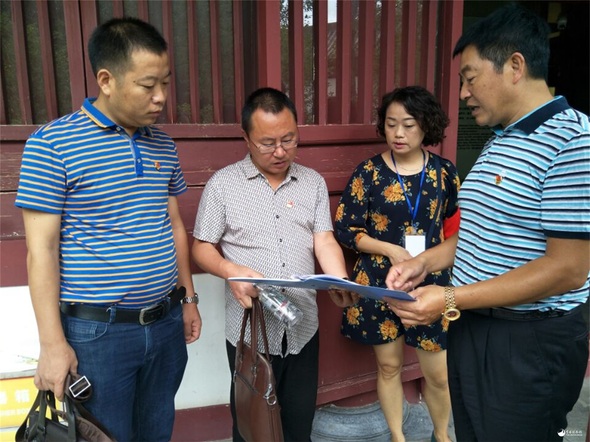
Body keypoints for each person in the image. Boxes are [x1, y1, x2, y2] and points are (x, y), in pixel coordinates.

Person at [385, 4, 590, 442]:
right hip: (474, 324)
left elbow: (569, 269)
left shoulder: (573, 141)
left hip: (528, 341)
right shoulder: (501, 139)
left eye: (470, 78)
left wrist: (449, 297)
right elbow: (481, 233)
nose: (462, 93)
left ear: (515, 66)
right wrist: (425, 263)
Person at [15, 17, 202, 442]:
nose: (160, 97)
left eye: (165, 83)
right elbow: (41, 251)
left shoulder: (163, 143)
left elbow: (174, 224)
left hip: (165, 323)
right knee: (104, 436)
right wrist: (52, 345)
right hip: (98, 335)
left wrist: (188, 299)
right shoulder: (51, 145)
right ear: (107, 80)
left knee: (157, 431)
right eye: (148, 85)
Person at [192, 87, 356, 442]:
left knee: (298, 425)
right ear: (246, 138)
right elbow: (201, 247)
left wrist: (339, 279)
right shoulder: (223, 185)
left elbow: (324, 239)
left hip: (302, 325)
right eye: (268, 143)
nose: (280, 151)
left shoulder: (312, 182)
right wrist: (230, 271)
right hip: (249, 331)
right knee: (252, 428)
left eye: (289, 140)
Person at [335, 86, 460, 442]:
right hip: (380, 282)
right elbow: (346, 228)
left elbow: (455, 229)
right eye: (391, 124)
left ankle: (442, 435)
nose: (398, 133)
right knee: (389, 366)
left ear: (426, 126)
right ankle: (397, 435)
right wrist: (389, 249)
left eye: (408, 124)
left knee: (438, 374)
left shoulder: (445, 173)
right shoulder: (368, 173)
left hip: (431, 284)